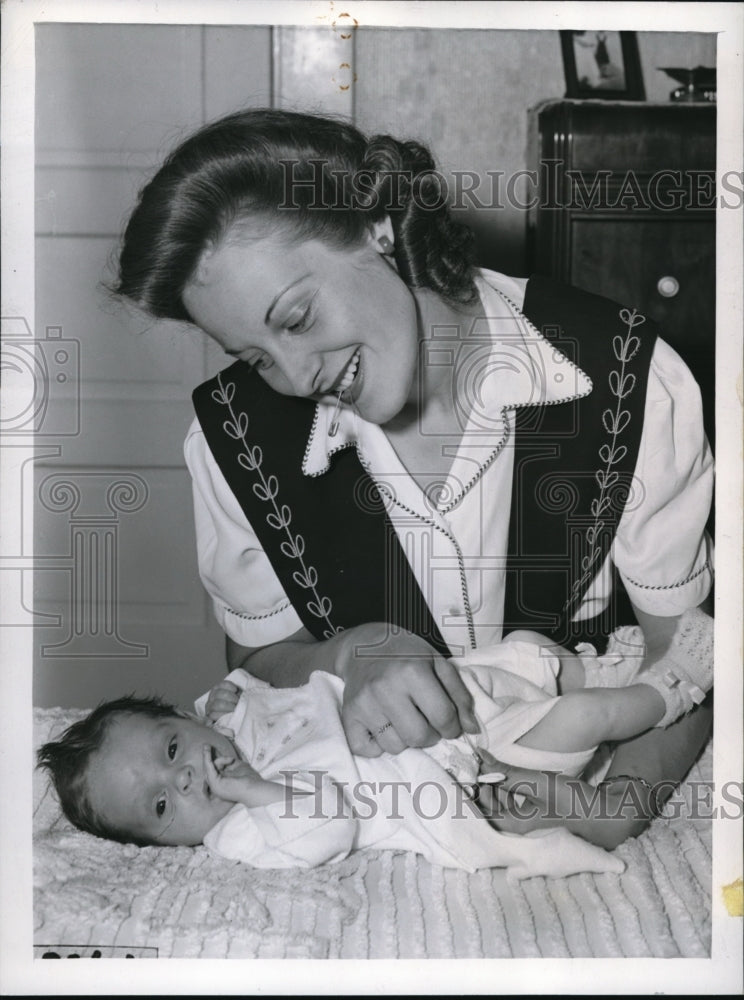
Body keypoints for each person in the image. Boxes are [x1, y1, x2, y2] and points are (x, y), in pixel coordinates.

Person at [114, 108, 714, 848]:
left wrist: (614, 806)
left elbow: (692, 650)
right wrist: (353, 651)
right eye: (257, 357)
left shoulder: (629, 376)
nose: (296, 377)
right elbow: (259, 656)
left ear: (376, 224)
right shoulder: (229, 437)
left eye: (296, 318)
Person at [37, 614, 713, 877]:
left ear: (181, 718)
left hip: (447, 715)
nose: (183, 780)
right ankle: (674, 687)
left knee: (525, 656)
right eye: (160, 806)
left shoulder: (233, 724)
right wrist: (254, 790)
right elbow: (331, 820)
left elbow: (260, 682)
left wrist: (228, 700)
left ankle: (604, 665)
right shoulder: (242, 833)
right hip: (464, 779)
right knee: (578, 724)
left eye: (172, 748)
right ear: (166, 846)